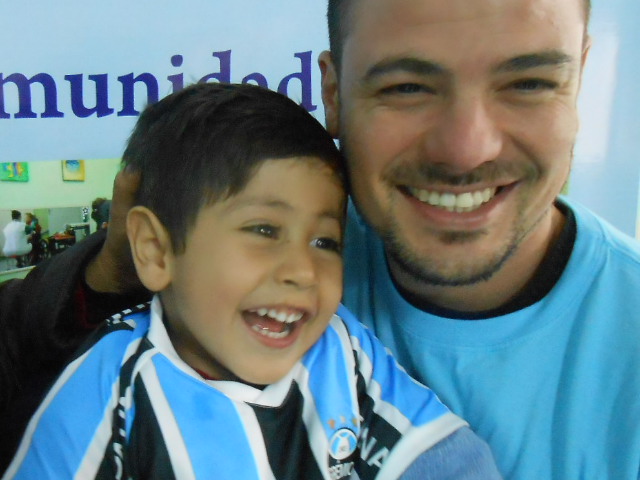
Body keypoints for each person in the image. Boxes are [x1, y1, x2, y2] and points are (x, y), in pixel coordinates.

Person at [2, 0, 639, 478]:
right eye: (407, 86)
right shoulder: (178, 300)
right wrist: (103, 283)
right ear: (331, 92)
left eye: (528, 82)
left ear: (580, 79)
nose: (465, 148)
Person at [4, 83, 500, 479]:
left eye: (325, 241)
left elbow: (443, 459)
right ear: (155, 250)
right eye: (264, 230)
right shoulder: (109, 391)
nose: (303, 271)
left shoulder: (341, 351)